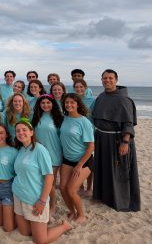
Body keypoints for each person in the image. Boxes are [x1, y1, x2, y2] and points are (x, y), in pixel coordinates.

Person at [13, 119, 72, 243]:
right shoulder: (21, 149)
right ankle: (42, 223)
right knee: (24, 232)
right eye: (18, 131)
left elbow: (49, 177)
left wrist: (42, 201)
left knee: (40, 240)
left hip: (34, 199)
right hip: (18, 195)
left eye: (24, 130)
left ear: (31, 132)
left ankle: (64, 226)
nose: (21, 133)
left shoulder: (40, 150)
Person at [92, 69, 140, 212]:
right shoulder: (101, 97)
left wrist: (125, 142)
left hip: (117, 140)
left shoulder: (124, 100)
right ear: (101, 80)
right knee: (103, 168)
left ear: (116, 80)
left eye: (110, 78)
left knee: (118, 171)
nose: (107, 80)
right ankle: (103, 197)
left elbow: (128, 123)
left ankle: (119, 200)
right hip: (101, 138)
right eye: (104, 78)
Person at [59, 93, 94, 224]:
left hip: (83, 161)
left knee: (71, 190)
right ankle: (72, 212)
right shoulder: (65, 119)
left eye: (72, 102)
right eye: (66, 102)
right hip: (67, 160)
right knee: (62, 188)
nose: (69, 105)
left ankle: (81, 215)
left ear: (78, 104)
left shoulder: (84, 122)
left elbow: (91, 146)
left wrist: (79, 165)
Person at [31, 94, 63, 218]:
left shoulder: (59, 118)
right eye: (42, 103)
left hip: (54, 154)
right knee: (41, 180)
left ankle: (53, 206)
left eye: (48, 103)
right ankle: (45, 201)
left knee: (50, 183)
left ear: (53, 104)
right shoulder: (35, 117)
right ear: (39, 105)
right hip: (38, 153)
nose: (45, 105)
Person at [0, 123, 17, 232]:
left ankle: (15, 216)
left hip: (7, 188)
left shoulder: (13, 151)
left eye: (1, 133)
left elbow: (17, 172)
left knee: (8, 228)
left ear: (6, 135)